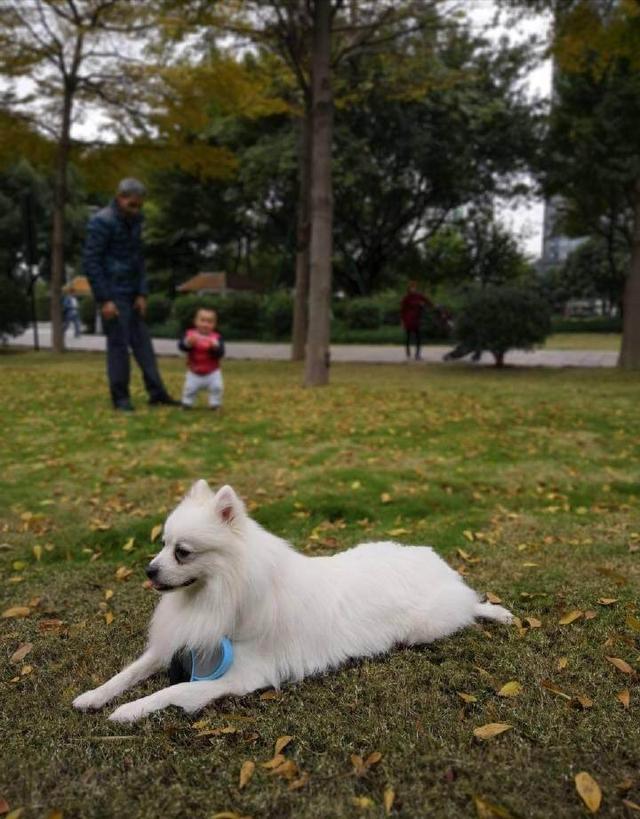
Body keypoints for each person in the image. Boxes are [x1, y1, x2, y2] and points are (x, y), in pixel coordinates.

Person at [83, 178, 179, 412]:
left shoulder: (136, 221)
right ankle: (121, 398)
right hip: (113, 292)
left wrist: (142, 293)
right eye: (131, 204)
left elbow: (138, 260)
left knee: (143, 344)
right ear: (120, 198)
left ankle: (157, 393)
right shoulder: (101, 221)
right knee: (118, 346)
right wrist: (104, 299)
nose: (135, 209)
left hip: (132, 292)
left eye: (139, 205)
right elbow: (91, 262)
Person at [178, 307, 225, 410]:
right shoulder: (190, 334)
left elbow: (221, 353)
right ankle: (187, 403)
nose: (205, 324)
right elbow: (181, 347)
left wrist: (215, 348)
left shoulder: (216, 338)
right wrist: (188, 343)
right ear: (196, 321)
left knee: (217, 387)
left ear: (214, 324)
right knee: (189, 388)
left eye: (209, 322)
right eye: (202, 320)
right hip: (194, 370)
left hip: (212, 371)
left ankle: (215, 404)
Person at [400, 281, 434, 360]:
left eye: (414, 288)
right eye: (411, 288)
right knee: (408, 337)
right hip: (408, 320)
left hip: (417, 320)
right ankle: (408, 351)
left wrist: (432, 306)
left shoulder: (419, 296)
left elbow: (428, 301)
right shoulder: (406, 298)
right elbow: (402, 310)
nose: (413, 289)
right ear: (409, 289)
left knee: (418, 337)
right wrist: (402, 321)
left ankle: (417, 354)